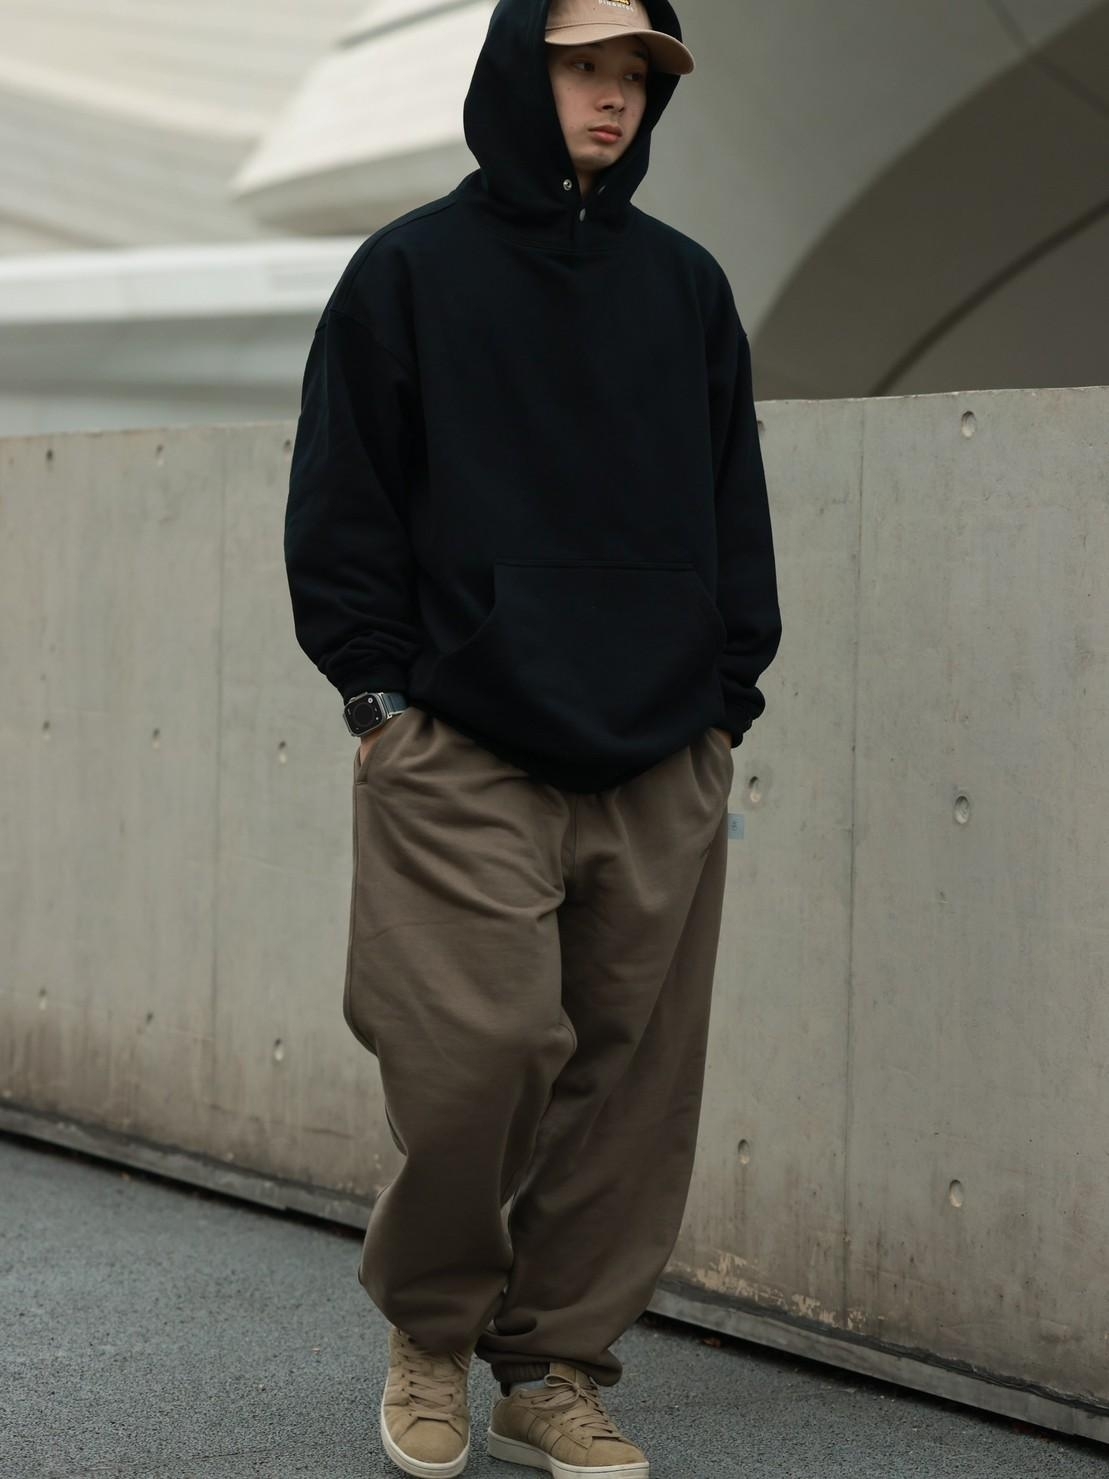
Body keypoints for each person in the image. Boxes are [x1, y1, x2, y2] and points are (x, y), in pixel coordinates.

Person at [284, 0, 782, 1472]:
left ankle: (553, 1367)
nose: (613, 96)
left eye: (634, 74)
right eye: (583, 67)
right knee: (477, 1059)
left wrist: (723, 702)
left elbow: (733, 505)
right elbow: (343, 500)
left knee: (629, 1089)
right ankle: (433, 1333)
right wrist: (376, 702)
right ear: (519, 70)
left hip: (659, 752)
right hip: (462, 745)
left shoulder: (684, 286)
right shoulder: (408, 272)